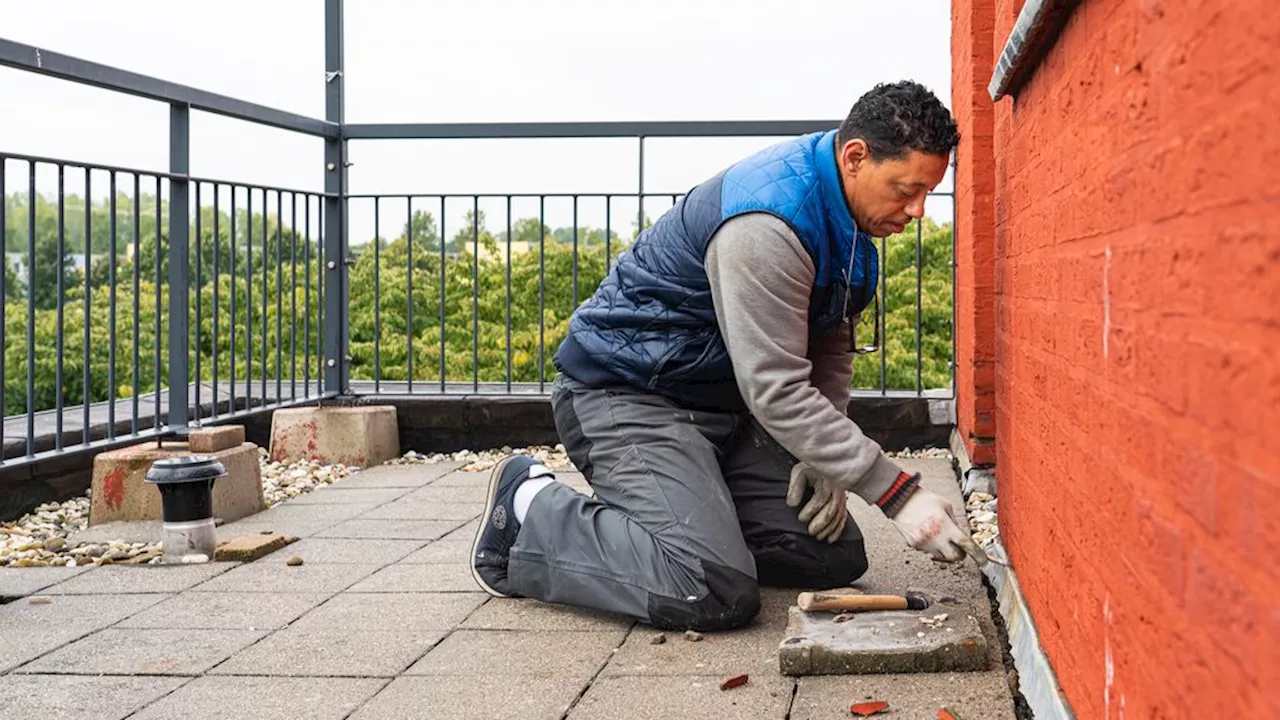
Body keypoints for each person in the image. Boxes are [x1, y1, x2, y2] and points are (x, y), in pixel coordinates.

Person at [470, 80, 978, 632]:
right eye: (906, 189)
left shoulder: (851, 223)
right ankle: (528, 510)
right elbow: (776, 388)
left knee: (832, 559)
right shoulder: (768, 225)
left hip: (723, 411)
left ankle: (695, 526)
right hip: (629, 397)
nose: (920, 210)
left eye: (928, 191)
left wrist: (826, 457)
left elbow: (828, 346)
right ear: (855, 157)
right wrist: (897, 494)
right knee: (710, 589)